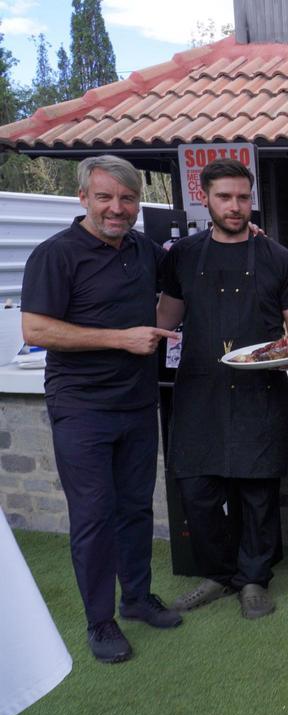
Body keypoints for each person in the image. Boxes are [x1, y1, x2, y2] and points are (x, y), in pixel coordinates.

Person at [20, 155, 182, 663]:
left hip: (136, 401)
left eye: (128, 198)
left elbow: (181, 270)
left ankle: (135, 598)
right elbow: (36, 331)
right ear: (83, 198)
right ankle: (100, 620)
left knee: (135, 507)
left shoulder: (141, 249)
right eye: (106, 197)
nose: (118, 208)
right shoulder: (56, 255)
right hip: (81, 407)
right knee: (93, 516)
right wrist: (120, 339)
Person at [157, 158, 288, 621]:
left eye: (243, 197)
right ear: (206, 198)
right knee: (198, 491)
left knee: (257, 494)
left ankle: (254, 580)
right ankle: (218, 574)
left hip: (258, 390)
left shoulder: (279, 259)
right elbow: (166, 319)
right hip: (199, 388)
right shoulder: (182, 255)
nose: (235, 206)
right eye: (225, 197)